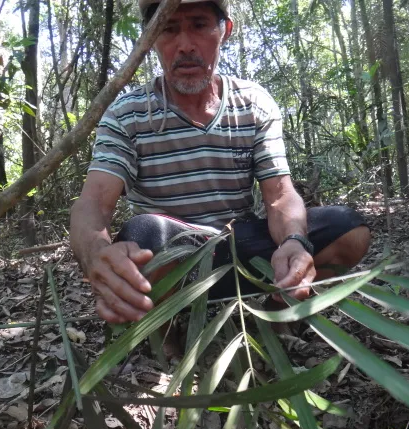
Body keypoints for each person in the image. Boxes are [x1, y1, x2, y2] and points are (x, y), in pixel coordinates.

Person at [70, 0, 371, 326]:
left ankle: (274, 319)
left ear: (224, 31)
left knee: (348, 230)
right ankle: (168, 335)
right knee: (142, 234)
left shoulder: (253, 103)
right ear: (150, 39)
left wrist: (294, 242)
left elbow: (280, 195)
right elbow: (93, 203)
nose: (185, 45)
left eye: (199, 25)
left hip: (243, 252)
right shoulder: (127, 114)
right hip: (171, 261)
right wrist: (96, 254)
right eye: (168, 29)